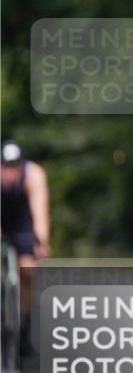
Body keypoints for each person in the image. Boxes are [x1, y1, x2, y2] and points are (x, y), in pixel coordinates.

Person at [0, 139, 51, 355]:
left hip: (23, 223)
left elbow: (40, 211)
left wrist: (41, 241)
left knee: (27, 271)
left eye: (14, 167)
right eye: (6, 167)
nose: (10, 172)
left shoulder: (34, 174)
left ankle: (25, 326)